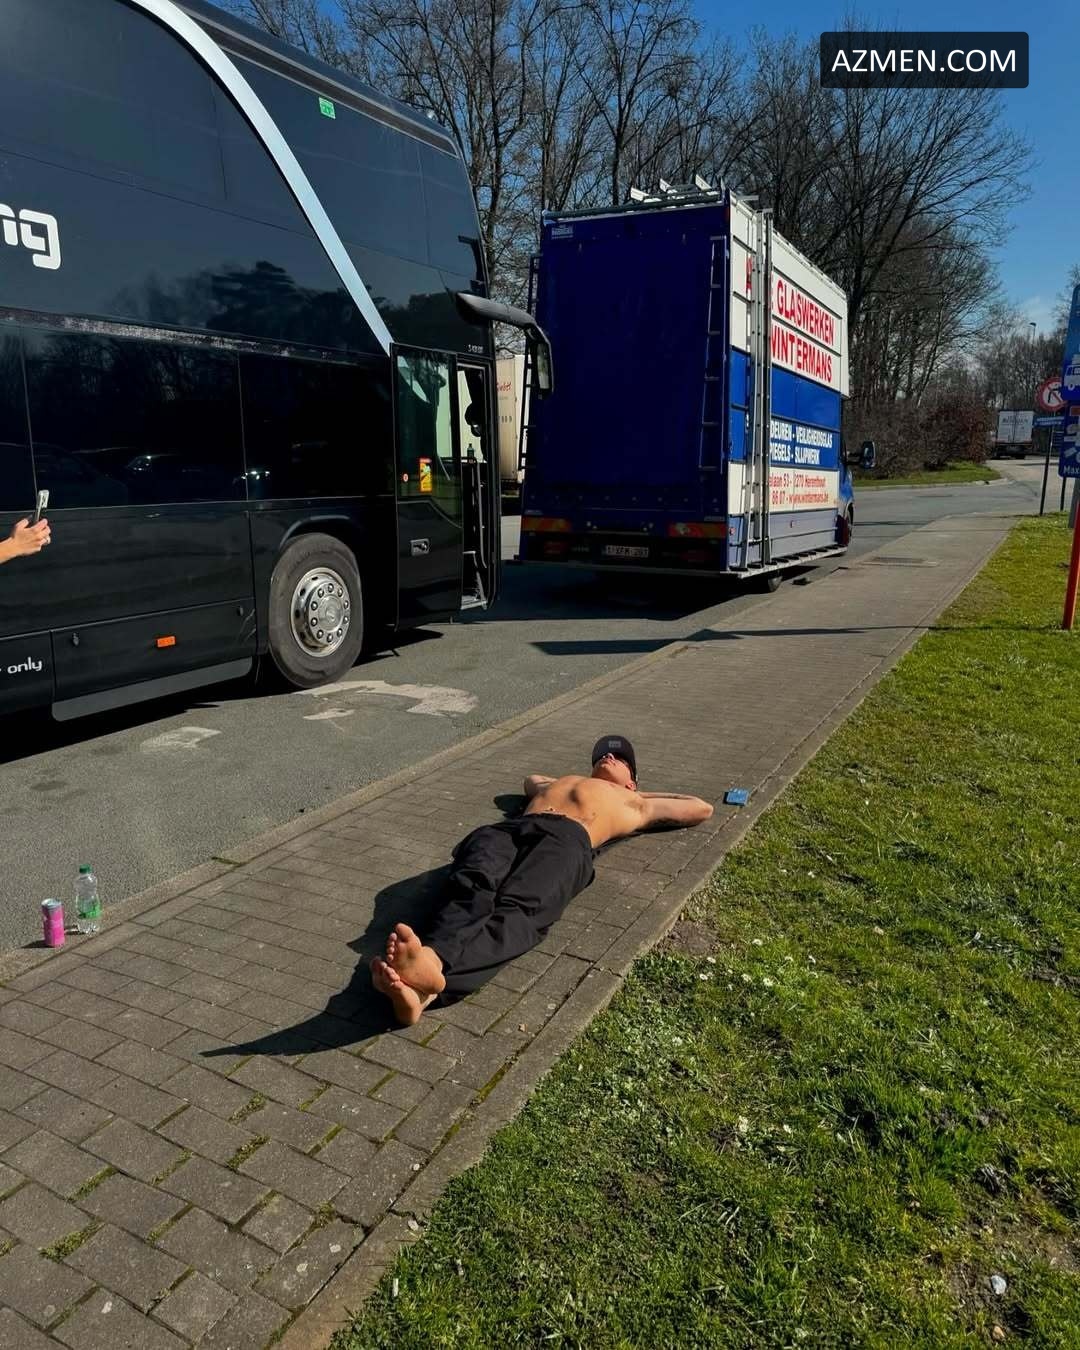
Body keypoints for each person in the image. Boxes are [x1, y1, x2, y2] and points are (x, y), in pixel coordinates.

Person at [371, 735, 713, 1024]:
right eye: (602, 755)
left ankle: (426, 990)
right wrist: (598, 779)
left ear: (633, 780)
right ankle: (430, 962)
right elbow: (531, 780)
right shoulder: (562, 782)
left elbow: (700, 807)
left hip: (568, 839)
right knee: (471, 885)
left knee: (520, 910)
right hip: (509, 831)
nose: (608, 757)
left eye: (620, 758)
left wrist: (634, 792)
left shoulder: (637, 803)